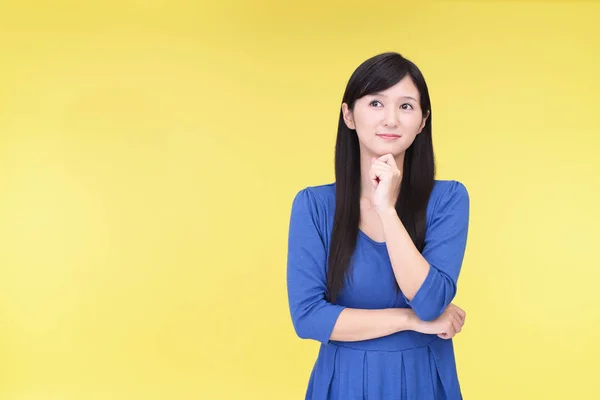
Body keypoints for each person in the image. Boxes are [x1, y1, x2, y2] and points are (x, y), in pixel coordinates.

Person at [286, 52, 470, 399]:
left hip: (423, 382)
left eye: (405, 106)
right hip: (344, 383)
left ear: (422, 121)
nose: (391, 119)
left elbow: (430, 302)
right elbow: (308, 318)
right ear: (348, 115)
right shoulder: (313, 206)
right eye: (375, 103)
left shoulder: (448, 199)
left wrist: (385, 208)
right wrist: (410, 321)